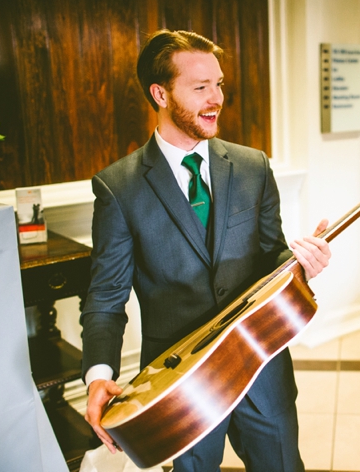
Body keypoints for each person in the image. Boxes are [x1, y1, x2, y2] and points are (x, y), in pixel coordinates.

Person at [80, 29, 331, 472]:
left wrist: (302, 264)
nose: (216, 98)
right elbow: (105, 296)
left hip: (261, 365)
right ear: (160, 93)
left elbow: (270, 258)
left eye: (218, 84)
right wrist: (99, 374)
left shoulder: (253, 165)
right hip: (179, 385)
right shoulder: (118, 188)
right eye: (200, 87)